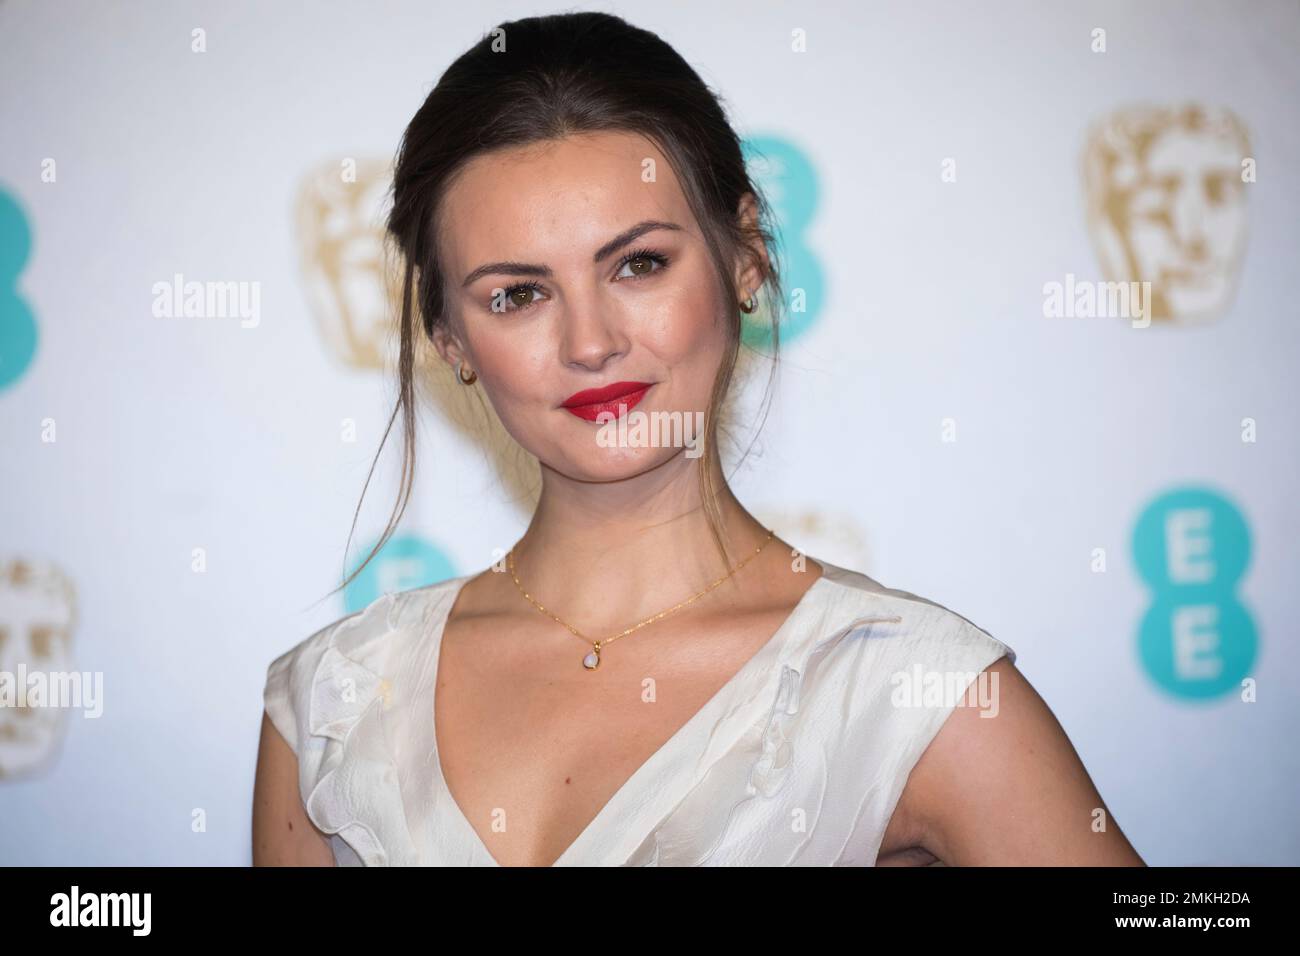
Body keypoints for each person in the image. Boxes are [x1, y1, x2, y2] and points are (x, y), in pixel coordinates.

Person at [252, 11, 1144, 867]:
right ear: (451, 341)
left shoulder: (906, 690)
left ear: (744, 257)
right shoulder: (332, 701)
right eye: (517, 294)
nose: (590, 343)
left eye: (638, 264)